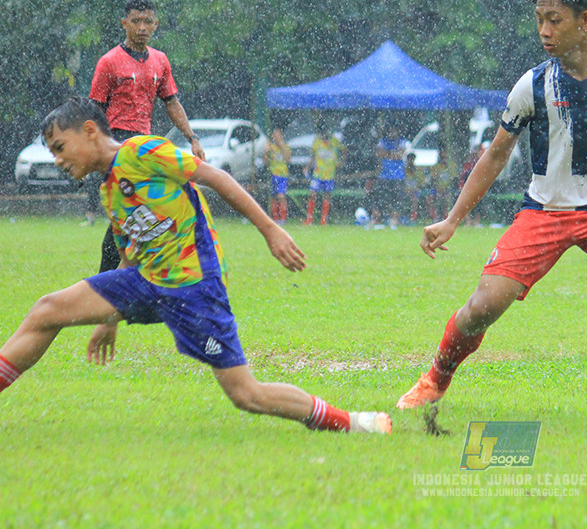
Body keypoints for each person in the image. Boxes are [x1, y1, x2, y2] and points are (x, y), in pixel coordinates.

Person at [0, 97, 390, 434]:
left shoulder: (142, 153)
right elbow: (130, 250)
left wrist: (270, 230)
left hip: (194, 287)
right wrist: (108, 317)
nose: (58, 159)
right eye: (52, 151)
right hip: (145, 282)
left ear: (89, 131)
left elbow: (216, 177)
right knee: (47, 310)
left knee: (246, 395)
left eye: (59, 146)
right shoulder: (109, 188)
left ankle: (353, 422)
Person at [396, 0, 587, 424]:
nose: (544, 31)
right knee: (482, 307)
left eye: (555, 20)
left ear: (585, 21)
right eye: (539, 21)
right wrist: (452, 219)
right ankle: (434, 380)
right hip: (543, 212)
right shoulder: (532, 83)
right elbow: (494, 156)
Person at [89, 0, 205, 273]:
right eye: (136, 21)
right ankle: (113, 277)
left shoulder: (160, 61)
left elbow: (172, 102)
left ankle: (123, 276)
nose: (142, 27)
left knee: (139, 212)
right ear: (124, 23)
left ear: (155, 25)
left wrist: (192, 138)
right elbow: (94, 112)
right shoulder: (109, 62)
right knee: (130, 213)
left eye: (147, 21)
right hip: (116, 142)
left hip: (145, 144)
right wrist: (96, 151)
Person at [304, 129, 340, 225]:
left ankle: (324, 219)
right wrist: (307, 167)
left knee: (327, 195)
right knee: (312, 194)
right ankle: (309, 218)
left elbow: (344, 150)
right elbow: (312, 156)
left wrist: (340, 162)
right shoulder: (317, 142)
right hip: (318, 173)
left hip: (329, 174)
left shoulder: (334, 141)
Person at [372, 126, 407, 227]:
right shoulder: (382, 141)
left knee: (397, 199)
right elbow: (379, 153)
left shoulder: (402, 141)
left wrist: (387, 154)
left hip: (398, 176)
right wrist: (391, 154)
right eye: (390, 131)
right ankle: (377, 219)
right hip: (384, 175)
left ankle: (394, 220)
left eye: (394, 130)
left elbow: (399, 155)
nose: (392, 133)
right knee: (380, 198)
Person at [264, 127, 291, 225]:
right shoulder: (270, 147)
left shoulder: (286, 146)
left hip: (282, 174)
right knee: (273, 196)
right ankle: (275, 218)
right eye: (275, 135)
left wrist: (282, 146)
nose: (276, 137)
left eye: (278, 135)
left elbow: (288, 159)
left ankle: (283, 219)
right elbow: (265, 162)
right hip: (273, 174)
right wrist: (266, 152)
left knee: (281, 196)